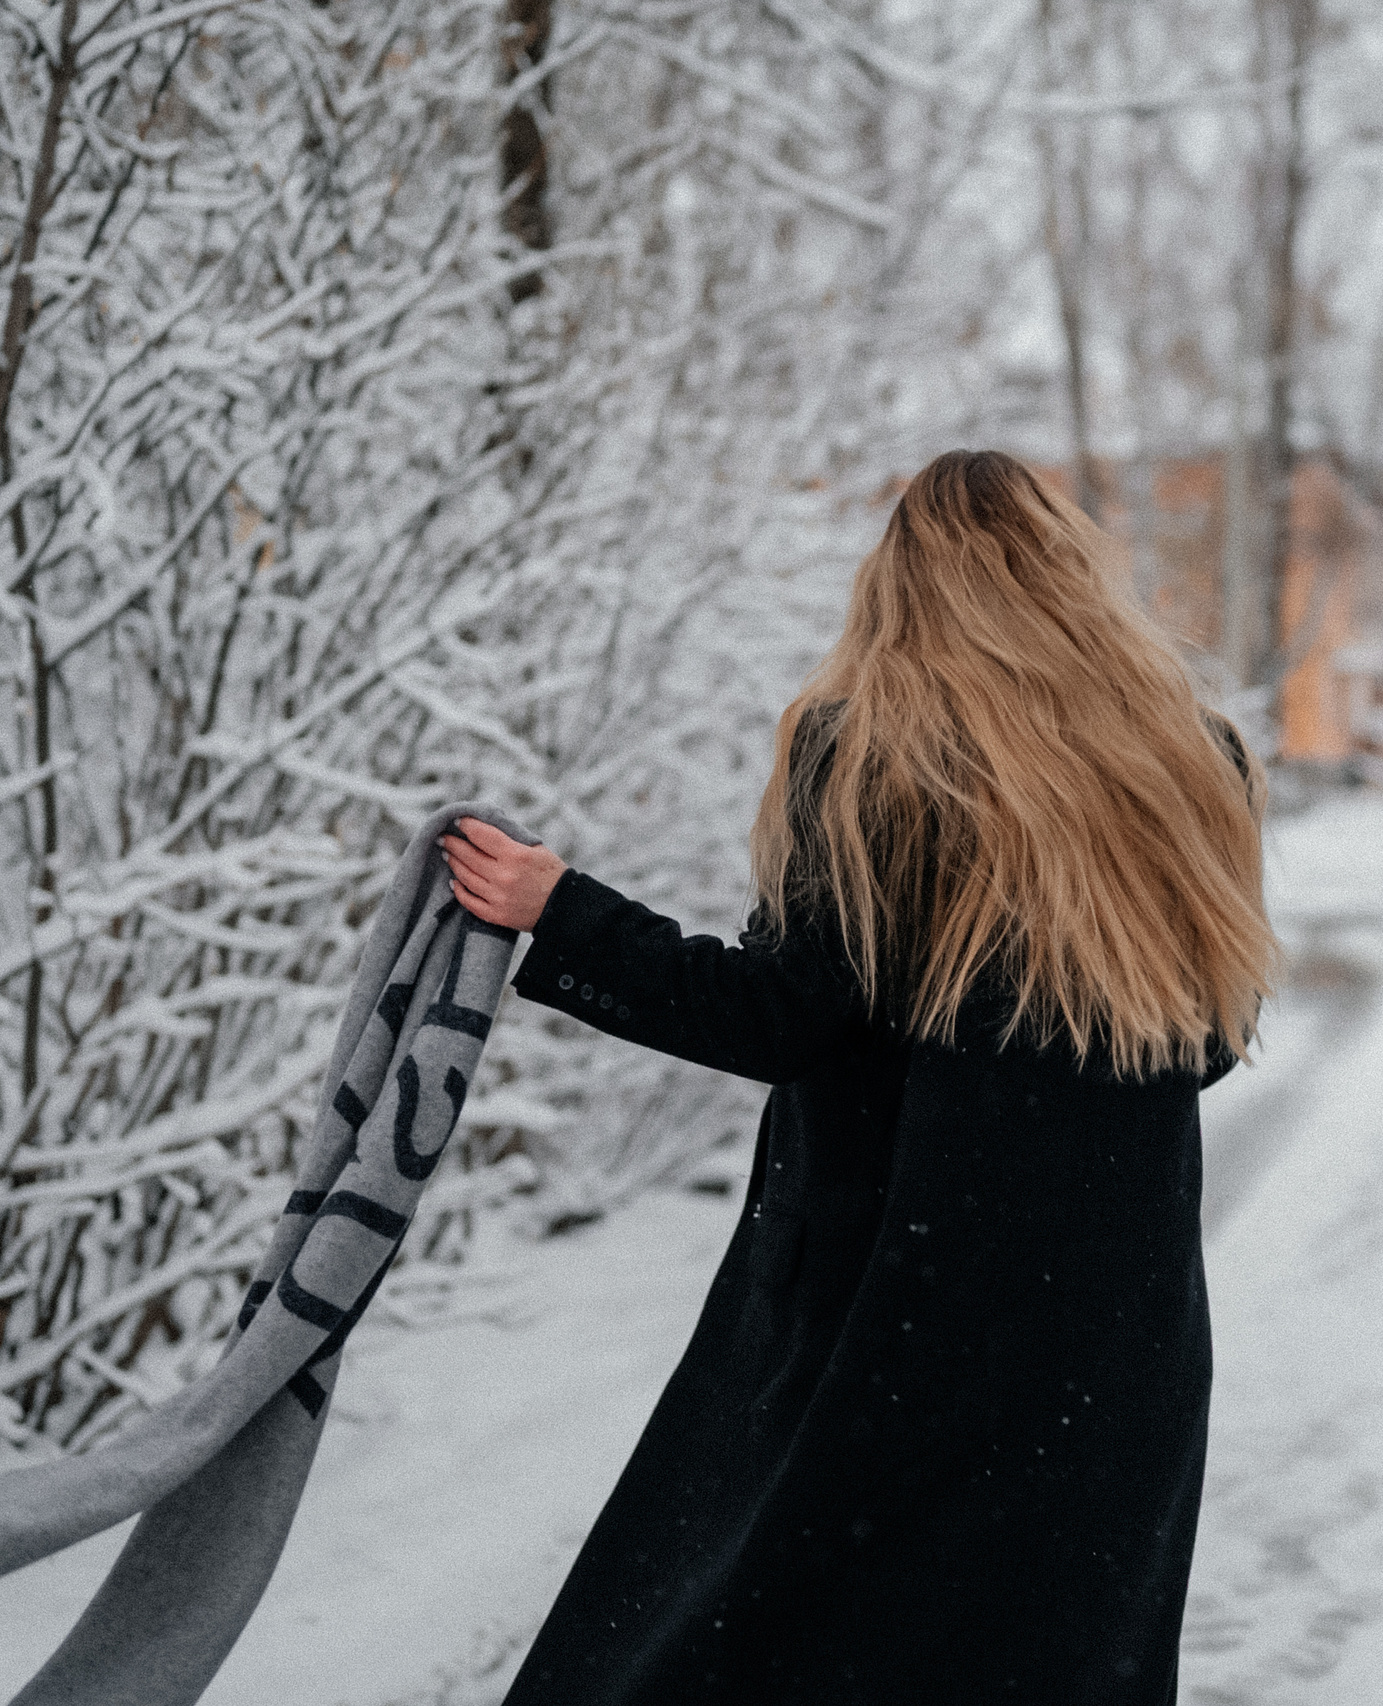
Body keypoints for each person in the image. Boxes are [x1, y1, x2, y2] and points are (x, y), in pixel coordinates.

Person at [439, 448, 1276, 1705]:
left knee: (766, 1643)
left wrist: (563, 913)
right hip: (1109, 1336)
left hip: (898, 1309)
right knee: (1049, 1662)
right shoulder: (1193, 759)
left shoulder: (877, 757)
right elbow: (1204, 1038)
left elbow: (777, 1017)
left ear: (901, 586)